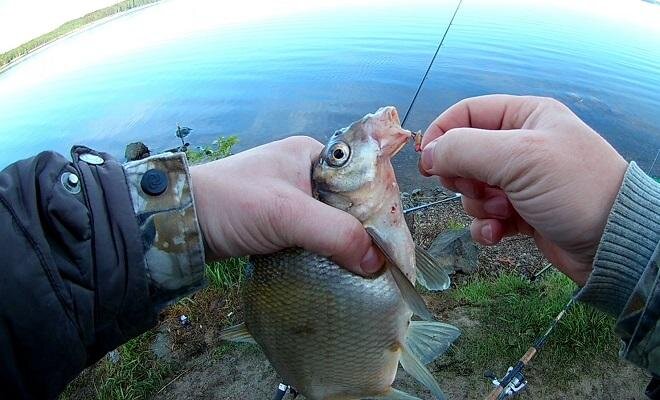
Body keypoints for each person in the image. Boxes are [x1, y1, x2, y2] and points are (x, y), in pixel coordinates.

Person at [0, 95, 657, 399]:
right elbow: (418, 282)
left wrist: (180, 211)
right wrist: (626, 233)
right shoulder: (357, 220)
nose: (359, 148)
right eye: (341, 155)